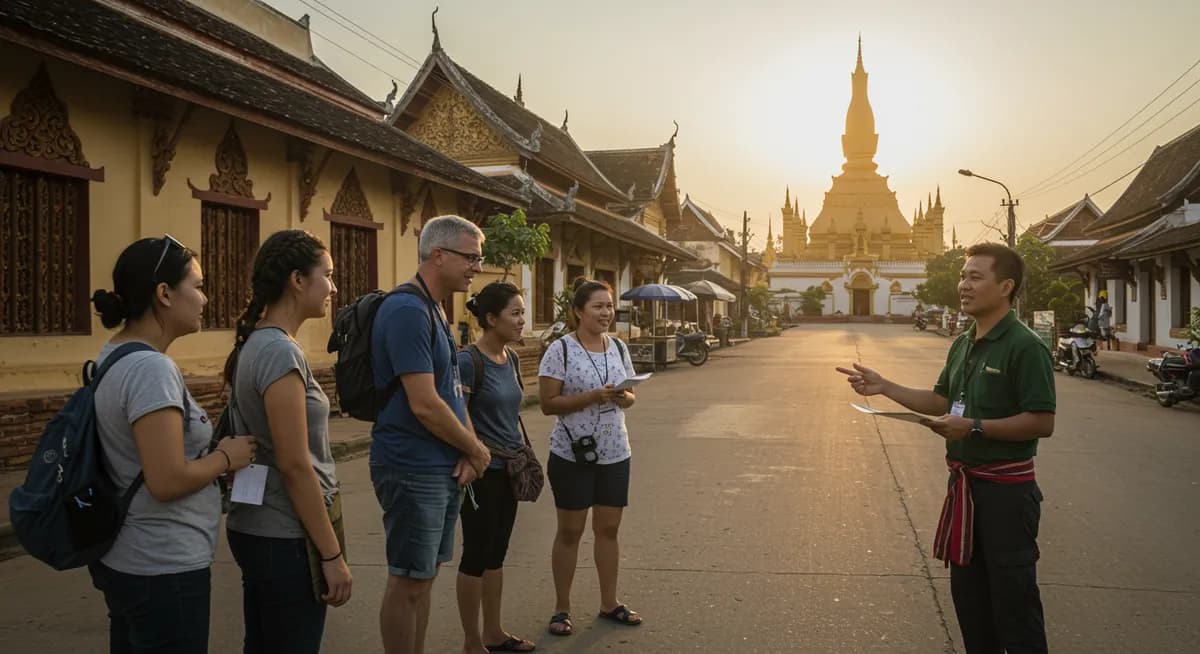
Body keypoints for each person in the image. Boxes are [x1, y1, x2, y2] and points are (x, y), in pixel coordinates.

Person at [838, 242, 1055, 654]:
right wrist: (885, 387)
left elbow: (1042, 421)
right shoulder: (964, 343)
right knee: (971, 604)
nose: (963, 285)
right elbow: (941, 401)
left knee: (1015, 607)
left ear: (1006, 286)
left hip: (1006, 495)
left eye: (975, 277)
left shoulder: (1025, 346)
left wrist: (972, 427)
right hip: (965, 491)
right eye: (962, 276)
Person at [89, 236, 256, 653]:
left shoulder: (113, 353)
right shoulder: (151, 370)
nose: (204, 297)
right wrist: (225, 458)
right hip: (162, 565)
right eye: (196, 286)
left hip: (127, 556)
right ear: (163, 294)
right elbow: (166, 479)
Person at [222, 230, 352, 653]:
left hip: (260, 527)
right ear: (298, 280)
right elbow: (295, 465)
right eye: (327, 275)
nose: (333, 287)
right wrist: (331, 555)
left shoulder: (257, 344)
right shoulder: (279, 352)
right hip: (285, 535)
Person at [371, 215, 492, 654]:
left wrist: (468, 450)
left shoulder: (436, 308)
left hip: (440, 465)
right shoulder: (406, 310)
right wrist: (476, 450)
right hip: (410, 464)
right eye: (471, 257)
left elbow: (453, 393)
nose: (477, 266)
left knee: (423, 579)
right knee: (407, 581)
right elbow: (423, 403)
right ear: (438, 255)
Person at [538, 278, 642, 637]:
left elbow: (630, 396)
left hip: (615, 452)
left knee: (608, 529)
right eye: (598, 306)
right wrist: (593, 397)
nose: (606, 313)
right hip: (572, 454)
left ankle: (609, 602)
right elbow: (548, 405)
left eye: (609, 306)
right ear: (579, 311)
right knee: (570, 531)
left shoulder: (617, 347)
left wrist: (622, 398)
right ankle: (561, 608)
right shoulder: (560, 350)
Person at [455, 282, 536, 653]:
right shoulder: (468, 361)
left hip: (510, 469)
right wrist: (476, 454)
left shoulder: (512, 358)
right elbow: (458, 415)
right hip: (481, 473)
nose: (522, 320)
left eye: (523, 312)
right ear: (491, 318)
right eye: (515, 313)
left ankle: (494, 632)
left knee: (497, 552)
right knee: (476, 554)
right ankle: (472, 641)